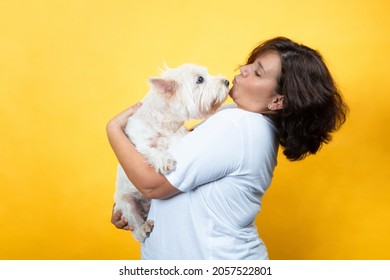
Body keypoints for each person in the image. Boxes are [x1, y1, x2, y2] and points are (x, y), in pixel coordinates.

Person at [106, 37, 348, 259]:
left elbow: (151, 184)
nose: (243, 69)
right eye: (251, 63)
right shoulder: (236, 117)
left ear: (277, 101)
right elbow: (171, 177)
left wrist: (114, 129)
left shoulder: (239, 125)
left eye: (258, 72)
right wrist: (134, 208)